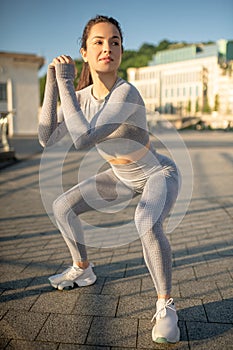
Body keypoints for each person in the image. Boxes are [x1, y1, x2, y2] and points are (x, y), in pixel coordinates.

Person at [39, 15, 180, 344]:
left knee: (145, 219)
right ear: (84, 52)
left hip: (157, 173)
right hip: (122, 177)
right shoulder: (83, 97)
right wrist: (51, 82)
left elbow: (83, 139)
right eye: (98, 42)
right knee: (63, 206)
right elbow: (47, 137)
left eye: (114, 42)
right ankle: (82, 267)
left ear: (121, 50)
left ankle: (166, 305)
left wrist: (65, 85)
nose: (108, 48)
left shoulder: (126, 92)